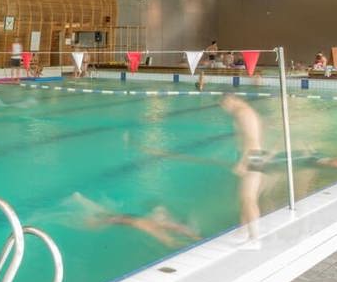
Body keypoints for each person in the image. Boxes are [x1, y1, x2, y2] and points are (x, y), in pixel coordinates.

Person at [69, 192, 200, 247]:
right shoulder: (149, 224)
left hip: (133, 220)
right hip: (133, 220)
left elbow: (168, 239)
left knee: (170, 231)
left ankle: (88, 208)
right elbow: (168, 238)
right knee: (170, 229)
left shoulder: (148, 223)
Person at [221, 93, 267, 241]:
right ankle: (243, 230)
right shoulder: (247, 110)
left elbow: (252, 141)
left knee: (248, 198)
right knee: (245, 198)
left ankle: (254, 237)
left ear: (230, 99)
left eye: (224, 104)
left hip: (252, 157)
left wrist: (242, 163)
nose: (224, 108)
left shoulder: (242, 113)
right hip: (255, 156)